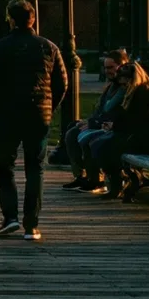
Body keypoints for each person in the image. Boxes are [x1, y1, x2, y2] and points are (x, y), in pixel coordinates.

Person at [0, 0, 69, 241]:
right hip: (38, 114)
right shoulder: (48, 47)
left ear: (11, 20)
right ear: (32, 20)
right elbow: (61, 83)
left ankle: (9, 217)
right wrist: (49, 107)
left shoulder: (1, 47)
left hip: (10, 113)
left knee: (5, 165)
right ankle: (32, 224)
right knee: (35, 168)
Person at [71, 60, 149, 196]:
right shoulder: (132, 93)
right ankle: (113, 181)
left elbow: (139, 120)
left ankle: (116, 183)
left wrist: (115, 125)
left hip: (146, 138)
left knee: (104, 145)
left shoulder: (146, 93)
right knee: (97, 143)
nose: (124, 86)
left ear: (134, 80)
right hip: (132, 134)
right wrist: (112, 124)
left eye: (126, 83)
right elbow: (124, 117)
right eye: (122, 83)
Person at [61, 49, 132, 193]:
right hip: (104, 124)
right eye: (105, 68)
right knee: (72, 130)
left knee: (82, 136)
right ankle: (82, 176)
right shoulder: (111, 86)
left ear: (122, 66)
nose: (107, 71)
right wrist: (89, 121)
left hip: (114, 129)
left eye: (111, 67)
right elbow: (100, 110)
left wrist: (93, 123)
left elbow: (116, 115)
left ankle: (95, 179)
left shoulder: (125, 88)